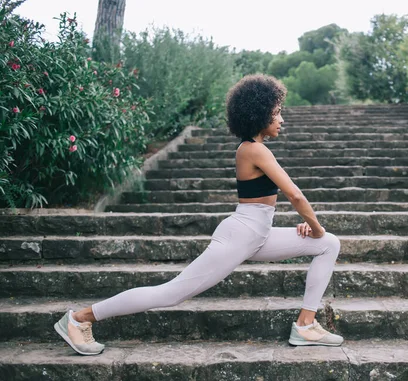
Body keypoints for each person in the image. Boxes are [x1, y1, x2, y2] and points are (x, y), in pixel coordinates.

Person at [54, 74, 344, 355]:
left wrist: (315, 230)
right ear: (259, 115)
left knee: (329, 244)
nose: (282, 120)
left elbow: (268, 206)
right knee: (170, 294)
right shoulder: (253, 149)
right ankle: (79, 319)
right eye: (277, 113)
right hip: (241, 236)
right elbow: (295, 195)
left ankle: (305, 324)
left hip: (258, 235)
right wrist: (314, 226)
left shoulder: (255, 149)